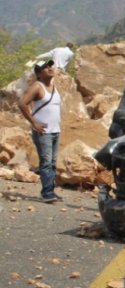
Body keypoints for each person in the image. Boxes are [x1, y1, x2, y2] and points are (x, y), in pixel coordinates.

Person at [17, 59, 63, 203]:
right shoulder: (38, 86)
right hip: (43, 132)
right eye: (45, 67)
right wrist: (34, 123)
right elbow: (22, 104)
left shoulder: (54, 87)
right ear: (38, 74)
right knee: (46, 162)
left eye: (51, 66)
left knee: (53, 162)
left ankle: (51, 190)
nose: (50, 68)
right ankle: (47, 193)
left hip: (55, 131)